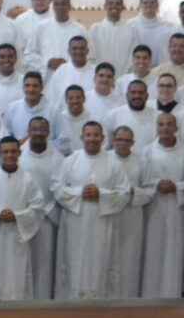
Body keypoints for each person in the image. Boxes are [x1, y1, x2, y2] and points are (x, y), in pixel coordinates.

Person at [52, 121, 130, 300]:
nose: (92, 139)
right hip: (75, 222)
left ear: (102, 138)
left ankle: (101, 303)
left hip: (101, 222)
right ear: (81, 138)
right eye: (88, 135)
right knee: (74, 261)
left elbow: (124, 193)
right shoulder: (70, 160)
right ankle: (70, 302)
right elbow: (56, 187)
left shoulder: (114, 163)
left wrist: (101, 194)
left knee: (100, 261)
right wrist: (80, 192)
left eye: (96, 135)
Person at [0, 137, 46, 301]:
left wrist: (17, 216)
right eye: (5, 151)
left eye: (13, 151)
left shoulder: (28, 179)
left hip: (17, 239)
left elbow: (38, 208)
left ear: (19, 153)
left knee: (16, 275)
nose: (10, 155)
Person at [17, 116, 63, 299]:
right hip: (23, 218)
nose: (37, 134)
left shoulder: (58, 158)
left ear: (48, 133)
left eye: (42, 130)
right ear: (28, 133)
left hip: (47, 218)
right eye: (34, 130)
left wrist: (45, 209)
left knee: (44, 264)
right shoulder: (18, 155)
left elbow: (60, 187)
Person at [139, 113, 184, 298]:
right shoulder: (147, 151)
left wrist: (178, 186)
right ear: (156, 128)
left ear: (176, 127)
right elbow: (141, 179)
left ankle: (173, 293)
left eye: (169, 124)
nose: (165, 128)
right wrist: (157, 183)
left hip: (178, 207)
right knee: (153, 249)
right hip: (154, 207)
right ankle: (150, 294)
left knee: (174, 250)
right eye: (161, 124)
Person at [107, 125, 147, 299]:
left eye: (127, 140)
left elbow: (150, 190)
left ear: (133, 143)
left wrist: (133, 192)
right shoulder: (104, 159)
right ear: (113, 141)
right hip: (108, 215)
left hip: (131, 216)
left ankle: (128, 298)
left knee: (128, 257)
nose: (122, 143)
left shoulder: (141, 162)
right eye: (119, 139)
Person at [31, 0, 89, 76]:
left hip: (72, 74)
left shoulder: (80, 29)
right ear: (53, 7)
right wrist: (49, 62)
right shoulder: (41, 27)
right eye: (57, 4)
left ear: (69, 7)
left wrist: (68, 64)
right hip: (48, 76)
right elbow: (30, 54)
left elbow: (89, 55)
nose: (60, 7)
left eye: (63, 4)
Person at [89, 0, 139, 77]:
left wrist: (125, 76)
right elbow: (91, 56)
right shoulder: (95, 29)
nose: (114, 6)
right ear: (105, 6)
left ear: (123, 7)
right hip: (102, 79)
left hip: (124, 78)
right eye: (111, 3)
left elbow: (134, 56)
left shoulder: (131, 30)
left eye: (118, 3)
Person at [105, 81, 158, 153]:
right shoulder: (113, 115)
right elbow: (107, 146)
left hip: (149, 163)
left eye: (141, 93)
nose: (137, 96)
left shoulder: (158, 117)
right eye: (133, 92)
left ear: (147, 96)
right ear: (127, 95)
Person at [46, 36, 96, 108]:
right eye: (75, 49)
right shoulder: (61, 71)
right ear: (69, 51)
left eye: (82, 48)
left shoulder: (96, 72)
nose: (78, 52)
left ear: (87, 51)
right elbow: (51, 98)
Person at [4, 72, 56, 141]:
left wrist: (40, 144)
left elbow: (62, 141)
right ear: (23, 87)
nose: (31, 90)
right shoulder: (12, 109)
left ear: (41, 88)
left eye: (35, 86)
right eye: (27, 85)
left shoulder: (53, 111)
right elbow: (5, 136)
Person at [15, 0, 53, 73]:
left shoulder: (56, 18)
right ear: (31, 0)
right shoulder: (21, 20)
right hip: (27, 69)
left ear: (50, 0)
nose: (39, 2)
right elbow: (17, 48)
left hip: (50, 69)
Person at [130, 0, 175, 66]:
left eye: (152, 2)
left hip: (161, 68)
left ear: (157, 5)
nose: (149, 5)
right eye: (145, 2)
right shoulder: (131, 25)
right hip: (138, 67)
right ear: (140, 5)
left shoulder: (168, 27)